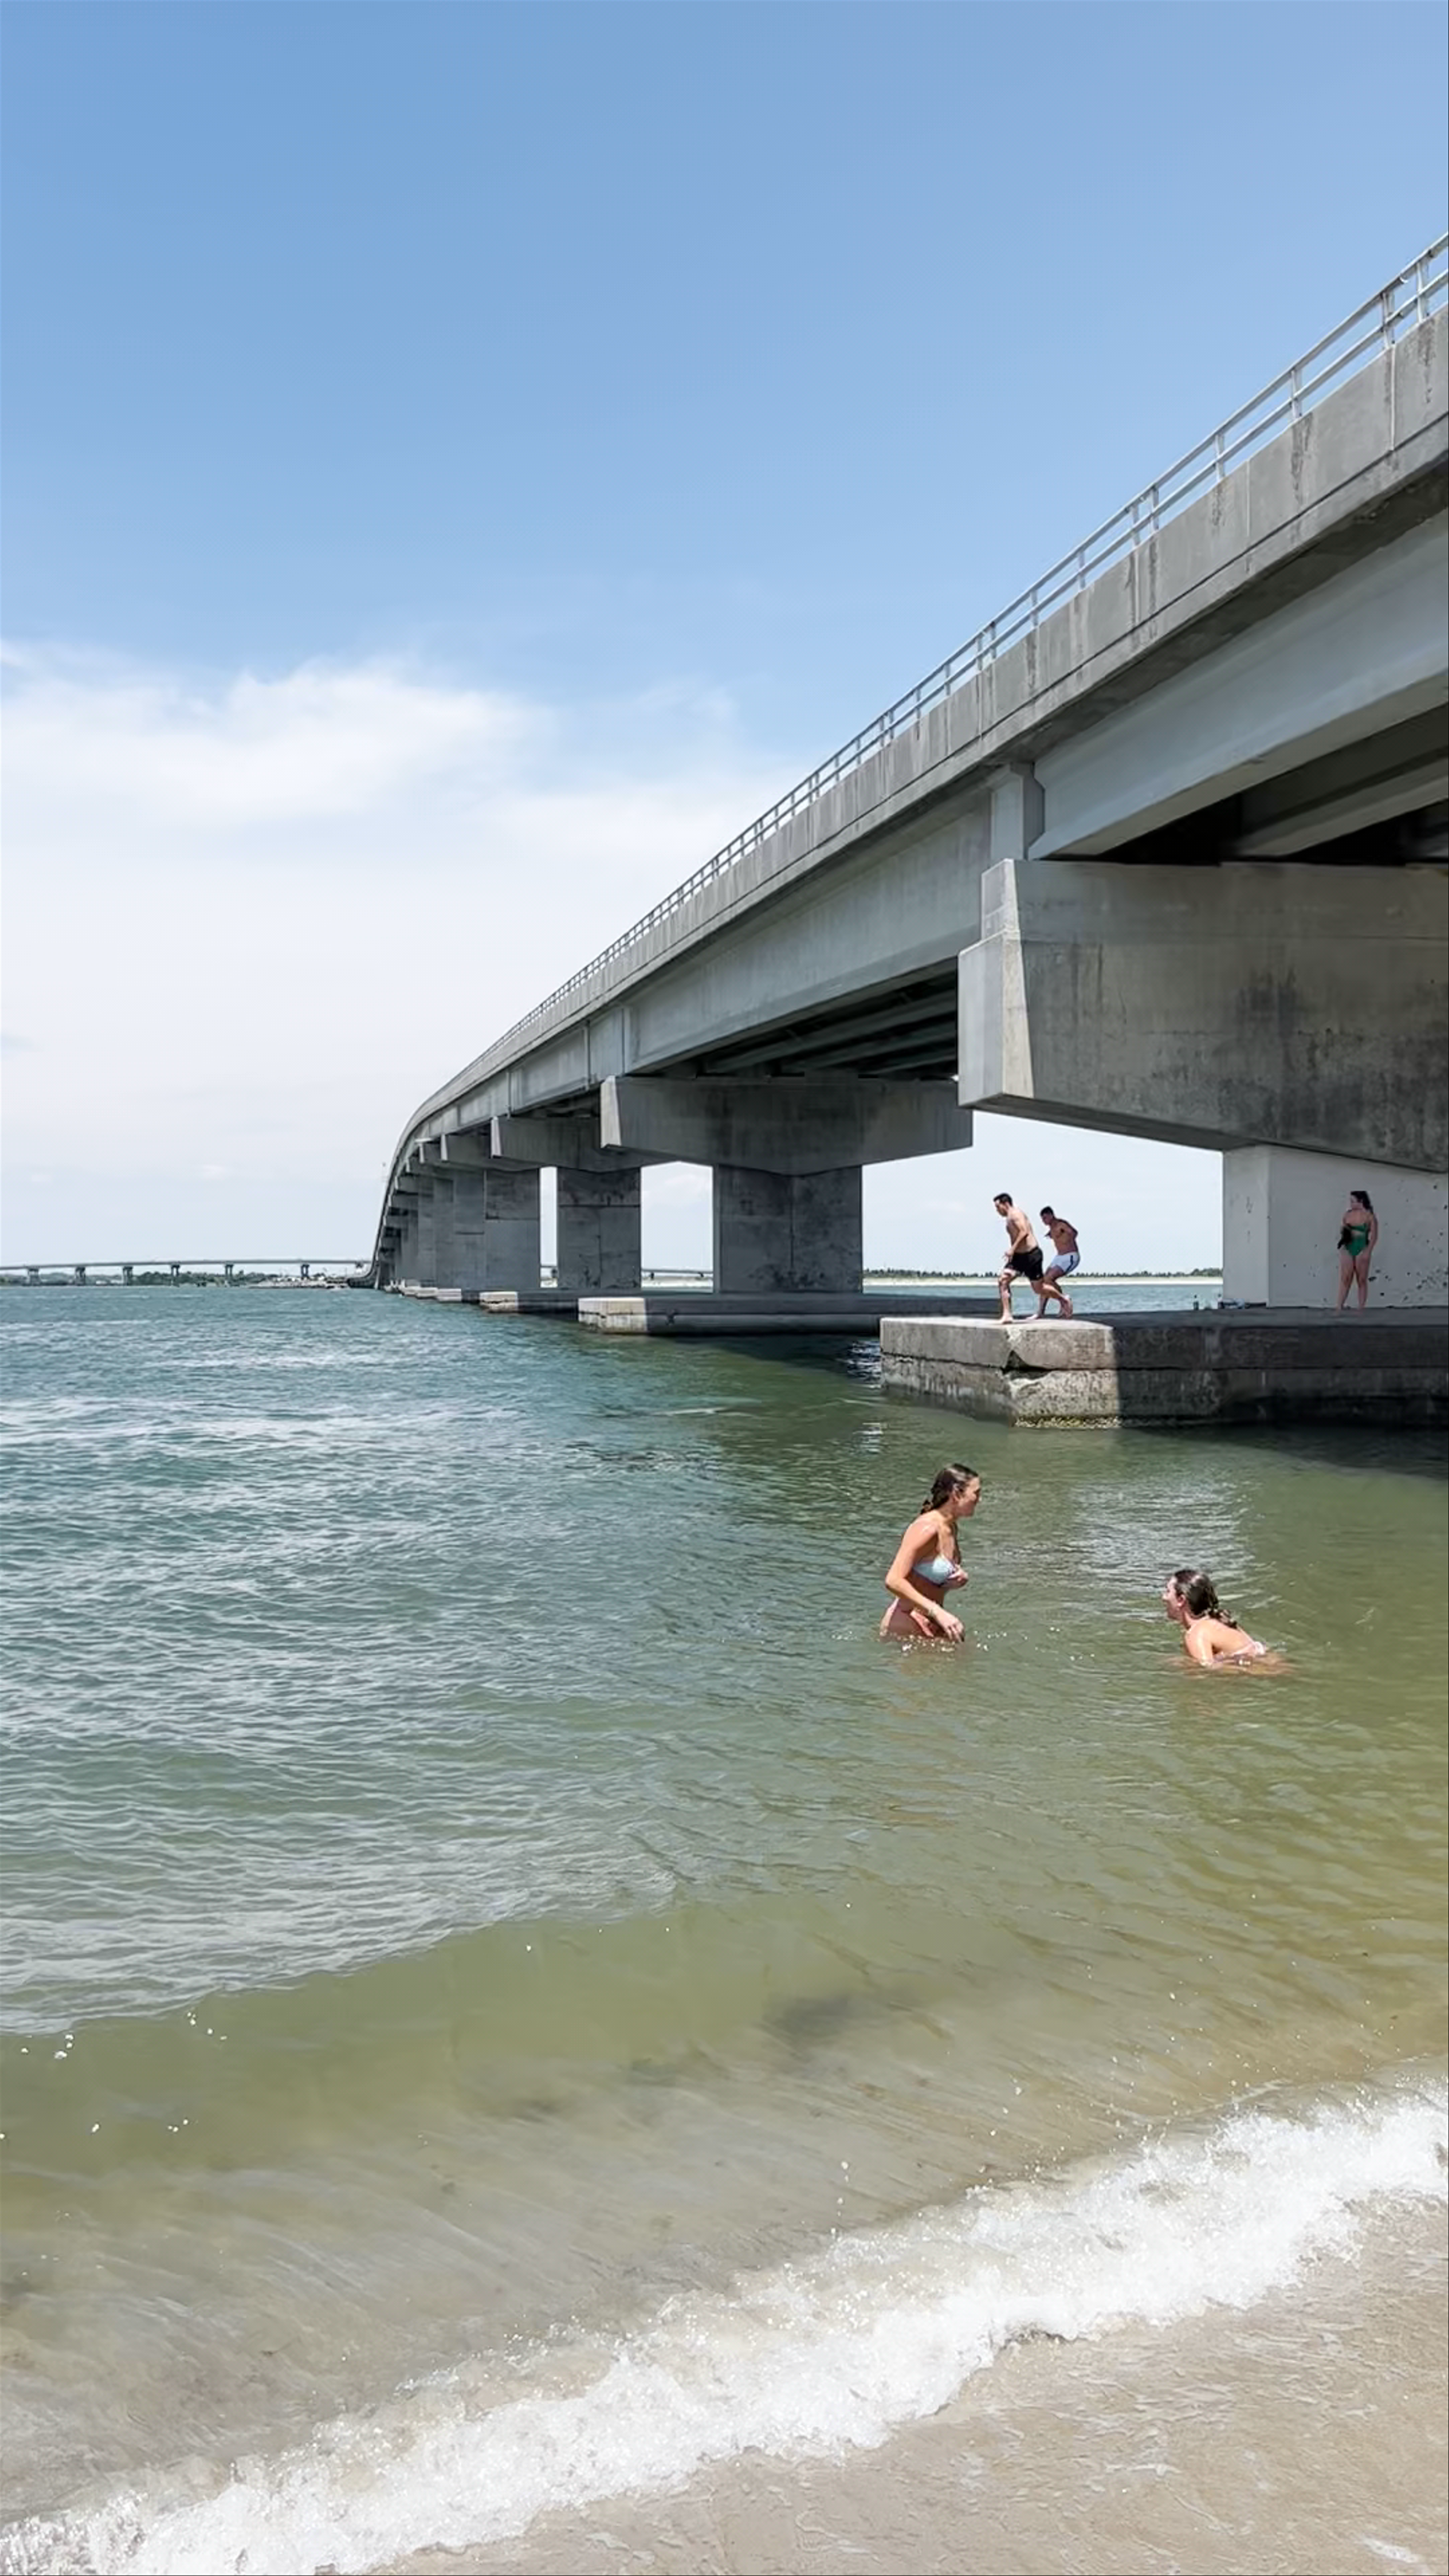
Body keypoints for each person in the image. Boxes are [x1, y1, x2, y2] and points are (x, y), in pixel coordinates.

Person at [880, 1463, 982, 1642]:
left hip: (933, 1621)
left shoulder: (951, 1527)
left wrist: (956, 1579)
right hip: (908, 1621)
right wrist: (938, 1612)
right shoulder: (927, 1529)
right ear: (957, 1494)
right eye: (976, 1493)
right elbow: (893, 1580)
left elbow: (927, 1577)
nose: (979, 1500)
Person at [1161, 1568, 1269, 1667]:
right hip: (1271, 1664)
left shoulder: (1196, 1634)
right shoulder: (1220, 1620)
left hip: (1261, 1672)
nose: (1164, 1598)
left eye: (1168, 1592)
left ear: (1181, 1600)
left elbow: (1205, 1673)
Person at [994, 1193, 1043, 1320]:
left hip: (1031, 1255)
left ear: (1006, 1204)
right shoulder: (1009, 1218)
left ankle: (1063, 1299)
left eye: (998, 1207)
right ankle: (1007, 1315)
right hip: (1018, 1258)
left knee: (1039, 1289)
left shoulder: (1016, 1214)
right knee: (1003, 1281)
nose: (997, 1211)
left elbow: (1024, 1232)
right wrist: (1013, 1253)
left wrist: (1012, 1249)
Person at [1336, 1189, 1378, 1310]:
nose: (1351, 1204)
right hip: (1348, 1245)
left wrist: (1368, 1251)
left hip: (1362, 1246)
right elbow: (1344, 1231)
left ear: (1361, 1202)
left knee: (1362, 1279)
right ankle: (1339, 1306)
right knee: (1345, 1278)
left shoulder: (1369, 1216)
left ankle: (1361, 1308)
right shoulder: (1347, 1215)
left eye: (1353, 1201)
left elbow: (1374, 1236)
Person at [1037, 1207, 1081, 1317]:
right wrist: (1052, 1235)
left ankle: (1064, 1301)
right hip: (1059, 1257)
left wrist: (1066, 1238)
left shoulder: (1061, 1224)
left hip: (1070, 1257)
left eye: (1046, 1218)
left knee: (1049, 1279)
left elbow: (1074, 1233)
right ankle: (1041, 1312)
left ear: (1051, 1215)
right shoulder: (1052, 1229)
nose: (1044, 1221)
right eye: (1042, 1219)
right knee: (1043, 1281)